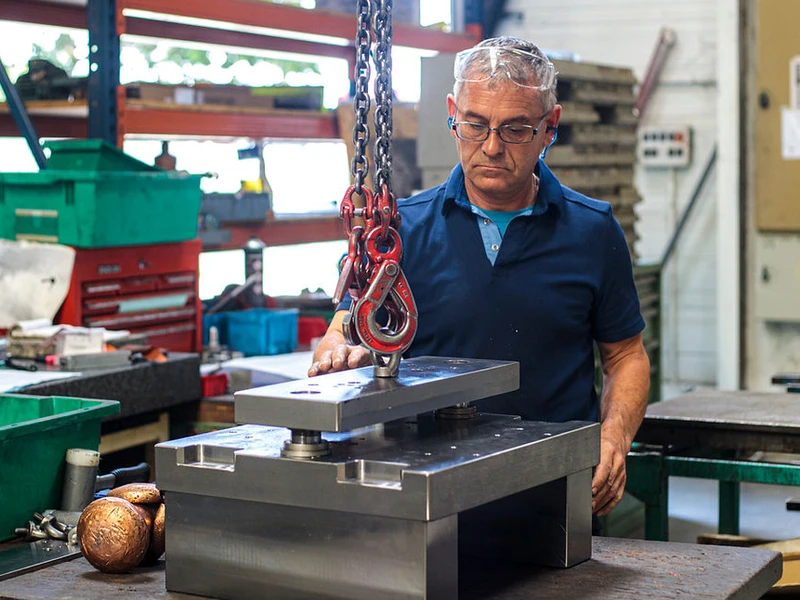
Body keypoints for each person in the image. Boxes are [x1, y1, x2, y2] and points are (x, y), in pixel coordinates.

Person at [309, 36, 651, 521]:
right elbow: (341, 331)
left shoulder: (593, 230)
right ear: (452, 113)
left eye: (515, 130)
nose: (491, 147)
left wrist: (613, 438)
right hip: (426, 503)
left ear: (549, 126)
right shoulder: (398, 232)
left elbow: (626, 356)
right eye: (475, 125)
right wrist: (337, 354)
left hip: (555, 498)